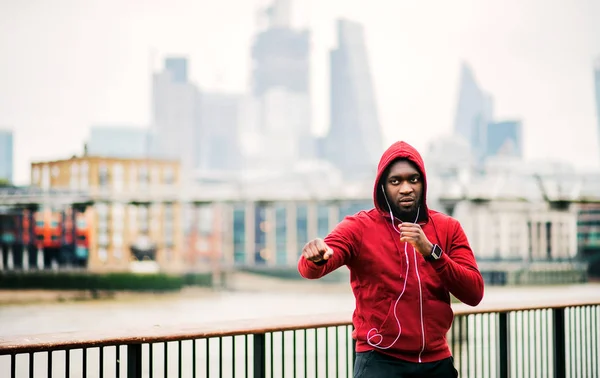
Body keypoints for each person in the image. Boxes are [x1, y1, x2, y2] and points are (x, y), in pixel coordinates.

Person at [298, 141, 484, 377]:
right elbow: (310, 268)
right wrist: (316, 259)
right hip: (380, 361)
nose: (405, 188)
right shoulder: (359, 227)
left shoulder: (448, 228)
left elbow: (474, 293)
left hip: (437, 361)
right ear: (382, 187)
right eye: (395, 181)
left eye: (413, 180)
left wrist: (432, 252)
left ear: (423, 184)